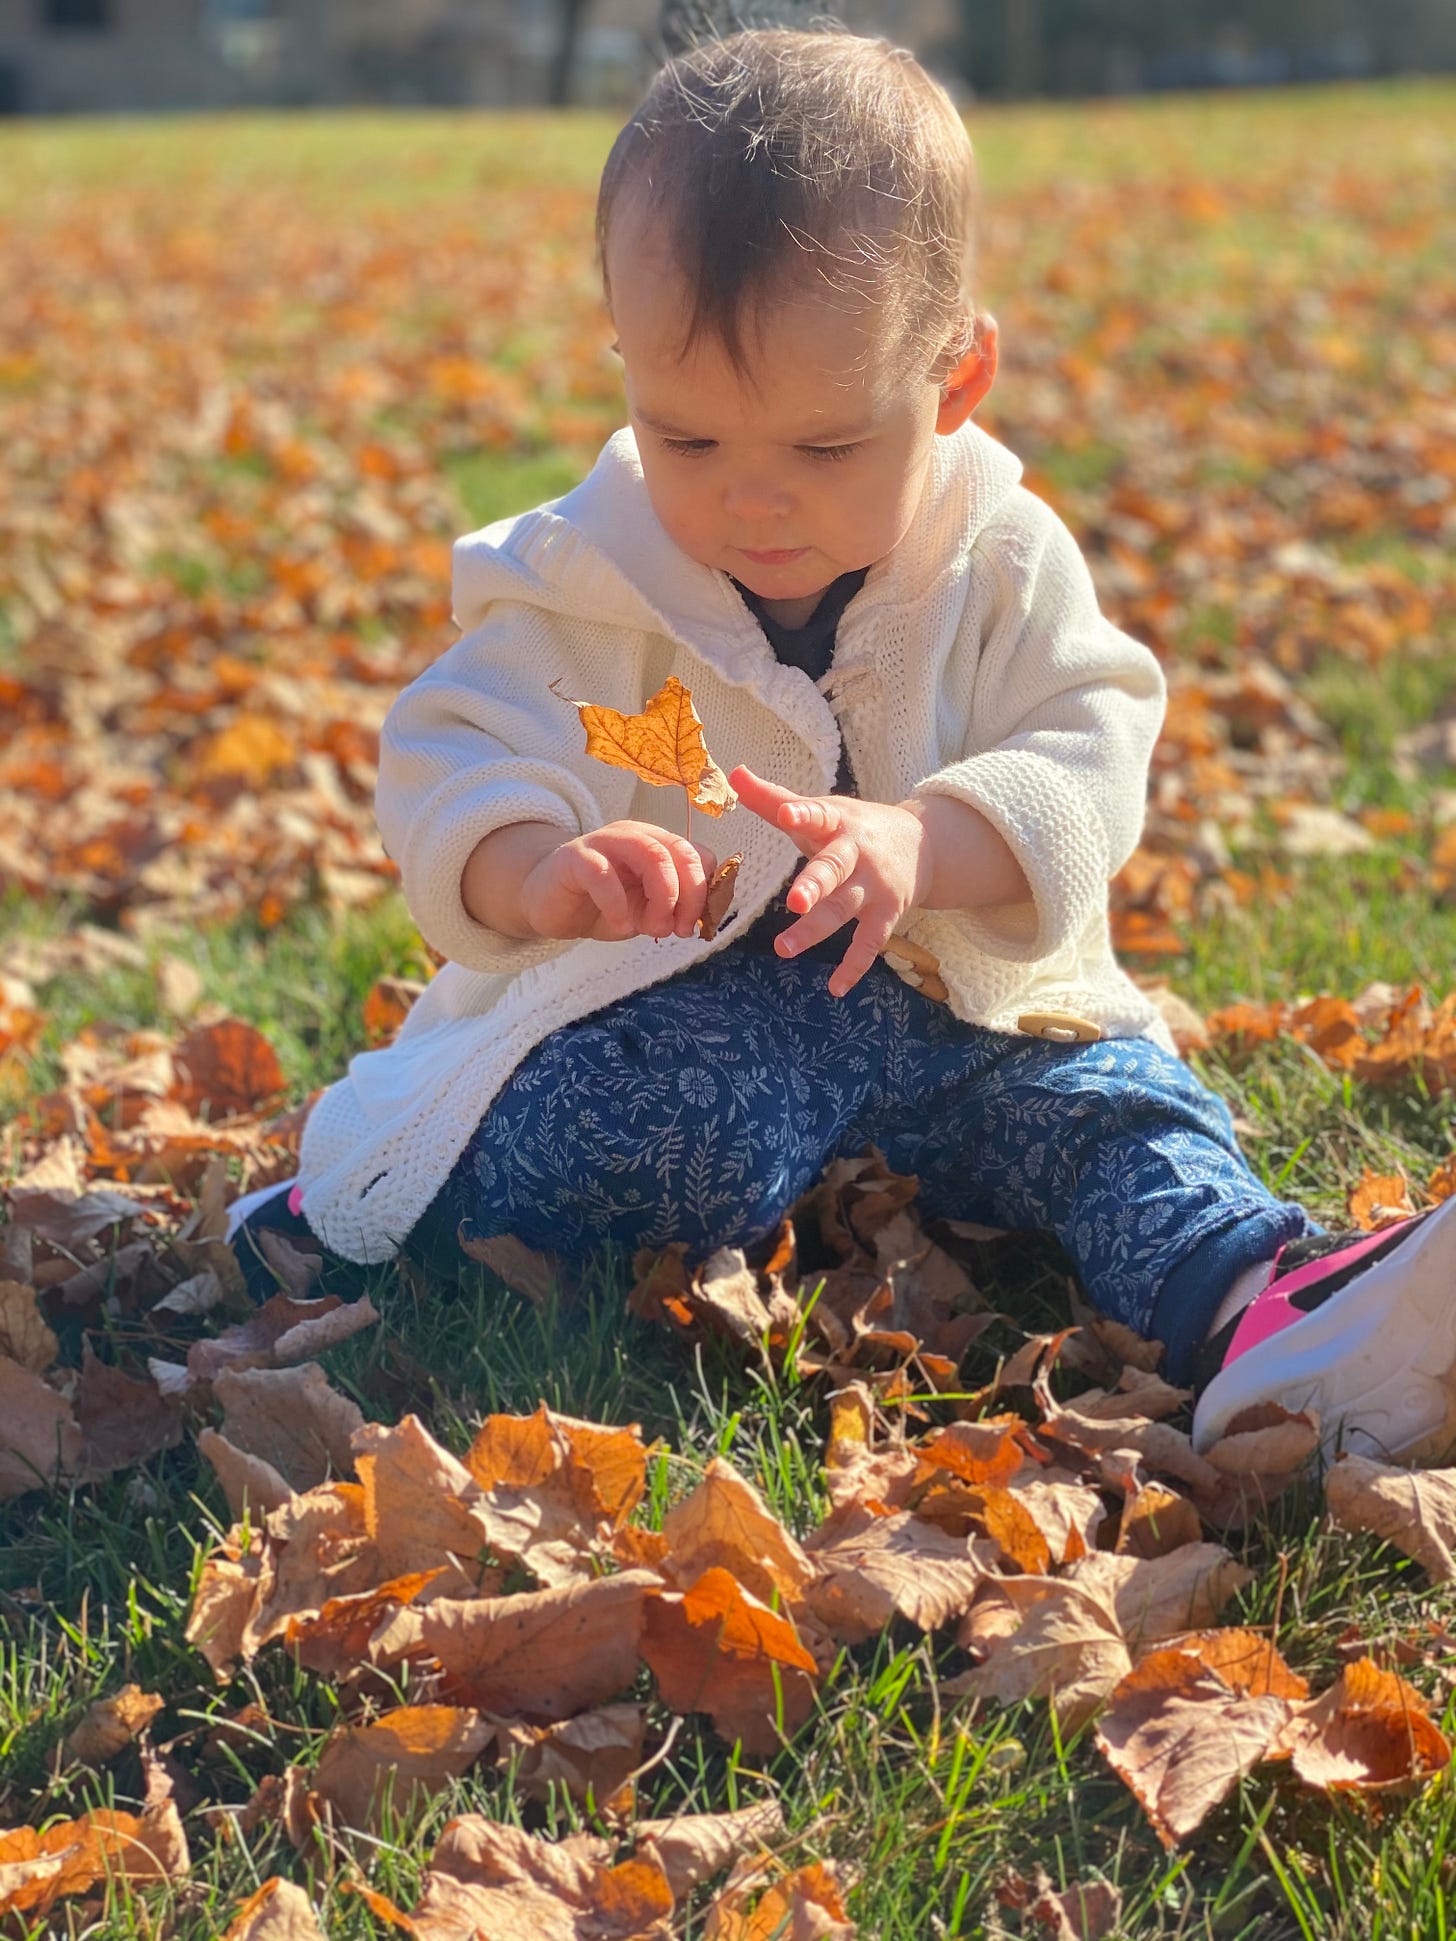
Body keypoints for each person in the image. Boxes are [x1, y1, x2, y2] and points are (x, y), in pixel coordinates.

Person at [228, 24, 1456, 1469]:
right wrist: (540, 868)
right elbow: (460, 741)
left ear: (954, 381)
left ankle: (1268, 1316)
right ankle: (408, 1208)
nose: (753, 502)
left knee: (1125, 1116)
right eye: (687, 440)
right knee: (625, 1128)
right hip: (697, 1012)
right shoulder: (589, 573)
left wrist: (929, 837)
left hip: (968, 1019)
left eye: (824, 449)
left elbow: (1088, 741)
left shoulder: (997, 557)